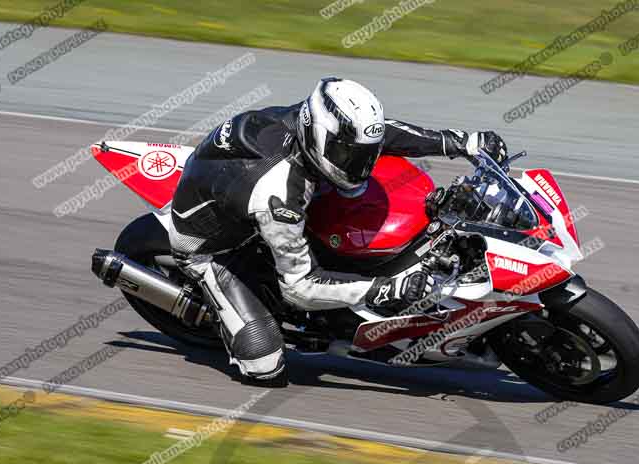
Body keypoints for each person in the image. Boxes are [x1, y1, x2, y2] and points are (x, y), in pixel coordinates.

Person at [168, 77, 507, 385]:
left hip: (247, 192)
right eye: (349, 155)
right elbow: (299, 288)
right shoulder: (279, 193)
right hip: (216, 248)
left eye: (363, 155)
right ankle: (215, 299)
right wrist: (383, 289)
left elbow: (382, 133)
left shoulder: (317, 124)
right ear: (320, 136)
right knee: (265, 367)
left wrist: (464, 143)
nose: (359, 165)